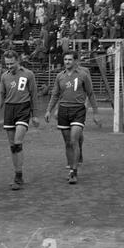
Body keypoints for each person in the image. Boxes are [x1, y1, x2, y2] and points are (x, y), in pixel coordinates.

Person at [44, 52, 100, 185]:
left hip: (78, 110)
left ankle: (74, 171)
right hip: (63, 110)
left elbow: (90, 93)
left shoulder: (83, 75)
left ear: (76, 61)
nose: (67, 62)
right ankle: (71, 167)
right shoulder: (60, 76)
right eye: (65, 59)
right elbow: (55, 94)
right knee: (68, 142)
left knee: (74, 139)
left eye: (70, 59)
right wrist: (48, 110)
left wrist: (96, 113)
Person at [0, 50, 39, 190]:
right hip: (9, 110)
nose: (9, 66)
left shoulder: (28, 74)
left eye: (12, 63)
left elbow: (34, 94)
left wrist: (35, 114)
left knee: (18, 142)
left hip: (23, 109)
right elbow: (0, 96)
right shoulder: (4, 77)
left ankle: (18, 177)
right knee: (12, 145)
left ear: (18, 61)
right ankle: (18, 173)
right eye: (7, 64)